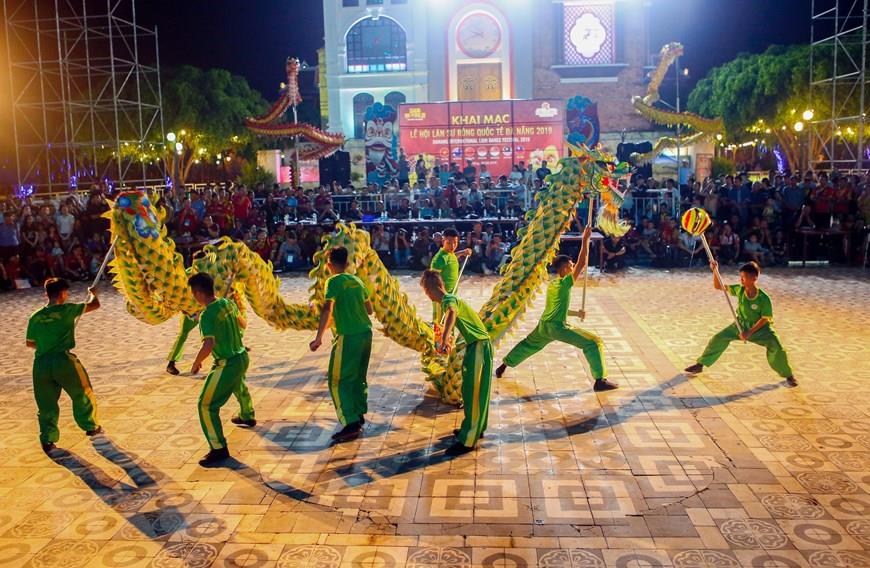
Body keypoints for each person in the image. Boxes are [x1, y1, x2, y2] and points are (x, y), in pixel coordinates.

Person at [495, 226, 618, 392]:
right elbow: (582, 262)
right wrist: (585, 240)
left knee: (527, 345)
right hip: (557, 327)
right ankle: (599, 380)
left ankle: (503, 366)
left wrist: (576, 313)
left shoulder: (553, 284)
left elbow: (556, 308)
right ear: (564, 269)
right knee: (594, 343)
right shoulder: (565, 282)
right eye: (571, 266)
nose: (573, 267)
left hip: (544, 326)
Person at [685, 261, 796, 387]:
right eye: (741, 277)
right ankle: (700, 364)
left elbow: (765, 319)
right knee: (718, 338)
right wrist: (715, 270)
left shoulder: (764, 298)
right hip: (740, 325)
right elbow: (718, 286)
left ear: (754, 278)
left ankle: (788, 375)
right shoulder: (739, 290)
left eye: (744, 277)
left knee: (777, 348)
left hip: (761, 329)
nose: (741, 280)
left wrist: (749, 332)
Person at [26, 277, 103, 453]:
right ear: (62, 294)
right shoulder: (68, 309)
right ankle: (90, 426)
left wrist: (47, 344)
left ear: (46, 294)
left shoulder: (35, 317)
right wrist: (93, 294)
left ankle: (47, 440)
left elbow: (30, 343)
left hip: (41, 365)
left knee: (46, 404)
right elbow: (95, 305)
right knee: (83, 392)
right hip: (63, 361)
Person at [420, 269, 492, 456]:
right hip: (478, 345)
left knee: (472, 392)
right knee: (474, 391)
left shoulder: (448, 300)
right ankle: (476, 428)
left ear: (428, 290)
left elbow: (452, 312)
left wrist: (444, 339)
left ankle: (468, 440)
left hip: (478, 345)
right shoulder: (452, 298)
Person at [188, 272, 256, 466]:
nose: (193, 297)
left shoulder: (206, 315)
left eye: (193, 293)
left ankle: (218, 448)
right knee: (237, 385)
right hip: (242, 357)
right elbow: (243, 323)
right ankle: (247, 415)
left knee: (206, 405)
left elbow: (208, 344)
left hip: (226, 363)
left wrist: (196, 362)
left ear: (199, 293)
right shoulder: (228, 303)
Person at [309, 247, 373, 443]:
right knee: (357, 377)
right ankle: (358, 413)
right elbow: (370, 309)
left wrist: (318, 337)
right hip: (366, 334)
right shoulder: (357, 281)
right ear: (347, 263)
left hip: (348, 337)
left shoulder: (333, 281)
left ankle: (350, 423)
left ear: (329, 265)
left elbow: (328, 308)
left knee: (337, 381)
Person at [429, 228, 472, 323]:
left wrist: (462, 252)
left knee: (449, 324)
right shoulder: (439, 259)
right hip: (442, 298)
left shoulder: (450, 254)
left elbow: (451, 257)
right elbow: (431, 281)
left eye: (455, 243)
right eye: (449, 243)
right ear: (443, 241)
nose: (452, 246)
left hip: (451, 296)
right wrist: (443, 297)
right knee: (439, 324)